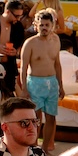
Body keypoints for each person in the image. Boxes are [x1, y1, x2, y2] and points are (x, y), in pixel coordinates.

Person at [17, 11, 63, 148]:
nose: (44, 28)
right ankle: (33, 148)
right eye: (41, 25)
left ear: (52, 25)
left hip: (51, 82)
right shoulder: (30, 43)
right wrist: (24, 88)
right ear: (36, 25)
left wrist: (61, 85)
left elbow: (57, 64)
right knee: (35, 118)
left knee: (51, 117)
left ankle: (45, 149)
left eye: (47, 25)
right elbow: (23, 67)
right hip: (35, 83)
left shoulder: (56, 40)